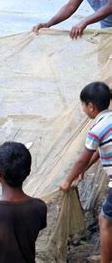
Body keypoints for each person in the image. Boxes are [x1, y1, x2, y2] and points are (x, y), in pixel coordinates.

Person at [59, 81, 112, 263]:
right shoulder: (110, 120)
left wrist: (68, 180)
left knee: (104, 220)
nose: (82, 109)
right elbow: (100, 151)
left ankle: (105, 260)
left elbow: (83, 157)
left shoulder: (95, 130)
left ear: (91, 106)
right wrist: (85, 170)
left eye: (82, 104)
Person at [32, 0, 112, 39]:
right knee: (103, 61)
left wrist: (84, 21)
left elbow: (110, 6)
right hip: (106, 31)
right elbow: (71, 6)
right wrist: (48, 24)